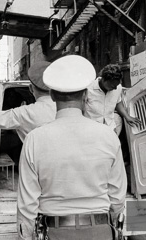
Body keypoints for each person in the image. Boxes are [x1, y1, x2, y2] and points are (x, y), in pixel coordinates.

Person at [17, 55, 127, 240]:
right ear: (85, 95)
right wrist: (116, 229)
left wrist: (27, 237)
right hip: (100, 231)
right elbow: (117, 198)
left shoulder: (34, 139)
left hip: (55, 232)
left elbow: (27, 205)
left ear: (51, 95)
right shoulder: (109, 136)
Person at [84, 64, 140, 135]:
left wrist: (127, 116)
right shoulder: (89, 89)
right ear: (103, 79)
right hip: (92, 130)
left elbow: (118, 102)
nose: (115, 88)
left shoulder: (118, 87)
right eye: (112, 86)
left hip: (110, 128)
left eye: (117, 85)